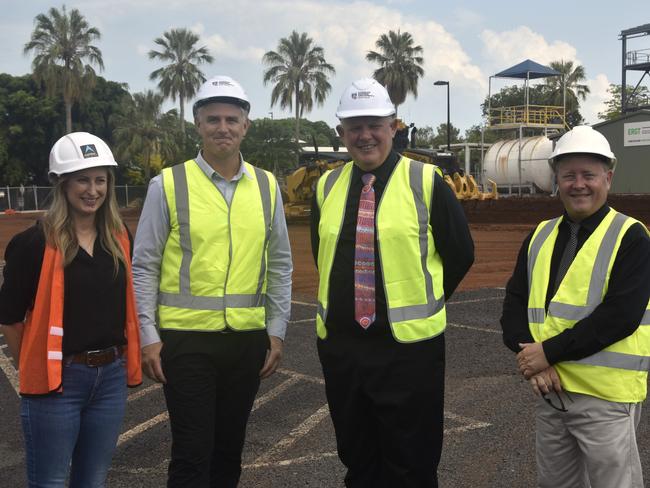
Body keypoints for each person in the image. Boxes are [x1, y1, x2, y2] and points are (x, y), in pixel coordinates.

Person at [310, 78, 474, 487]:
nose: (365, 135)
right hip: (344, 349)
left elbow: (460, 253)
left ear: (394, 127)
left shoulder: (425, 181)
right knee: (358, 460)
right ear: (341, 133)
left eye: (375, 125)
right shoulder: (325, 186)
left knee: (411, 464)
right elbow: (323, 253)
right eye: (354, 127)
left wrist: (426, 299)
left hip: (408, 351)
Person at [132, 75, 292, 487]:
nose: (223, 127)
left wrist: (276, 332)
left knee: (228, 452)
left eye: (232, 119)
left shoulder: (267, 186)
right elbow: (144, 265)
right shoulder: (167, 184)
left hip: (246, 340)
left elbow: (279, 264)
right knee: (191, 452)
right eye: (213, 119)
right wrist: (148, 335)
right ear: (197, 124)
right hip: (185, 342)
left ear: (246, 126)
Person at [500, 125, 650, 488]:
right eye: (569, 175)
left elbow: (620, 317)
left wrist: (546, 353)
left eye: (589, 175)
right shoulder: (540, 235)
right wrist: (532, 361)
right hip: (550, 391)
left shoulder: (632, 236)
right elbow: (515, 305)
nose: (578, 184)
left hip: (605, 398)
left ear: (608, 178)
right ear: (557, 180)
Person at [0, 132, 142, 487]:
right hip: (57, 384)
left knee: (92, 480)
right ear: (61, 183)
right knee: (49, 481)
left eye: (100, 180)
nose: (92, 190)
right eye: (82, 179)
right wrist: (32, 368)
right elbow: (10, 319)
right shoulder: (33, 243)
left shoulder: (119, 235)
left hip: (109, 377)